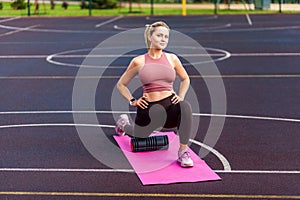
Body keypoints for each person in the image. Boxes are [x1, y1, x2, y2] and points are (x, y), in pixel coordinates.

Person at [115, 21, 194, 168]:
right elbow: (121, 84)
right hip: (148, 109)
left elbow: (185, 79)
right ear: (150, 37)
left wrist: (181, 95)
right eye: (159, 35)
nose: (163, 39)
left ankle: (183, 152)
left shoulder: (172, 59)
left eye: (166, 36)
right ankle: (123, 124)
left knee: (185, 107)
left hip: (170, 107)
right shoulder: (138, 61)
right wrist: (132, 100)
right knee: (139, 134)